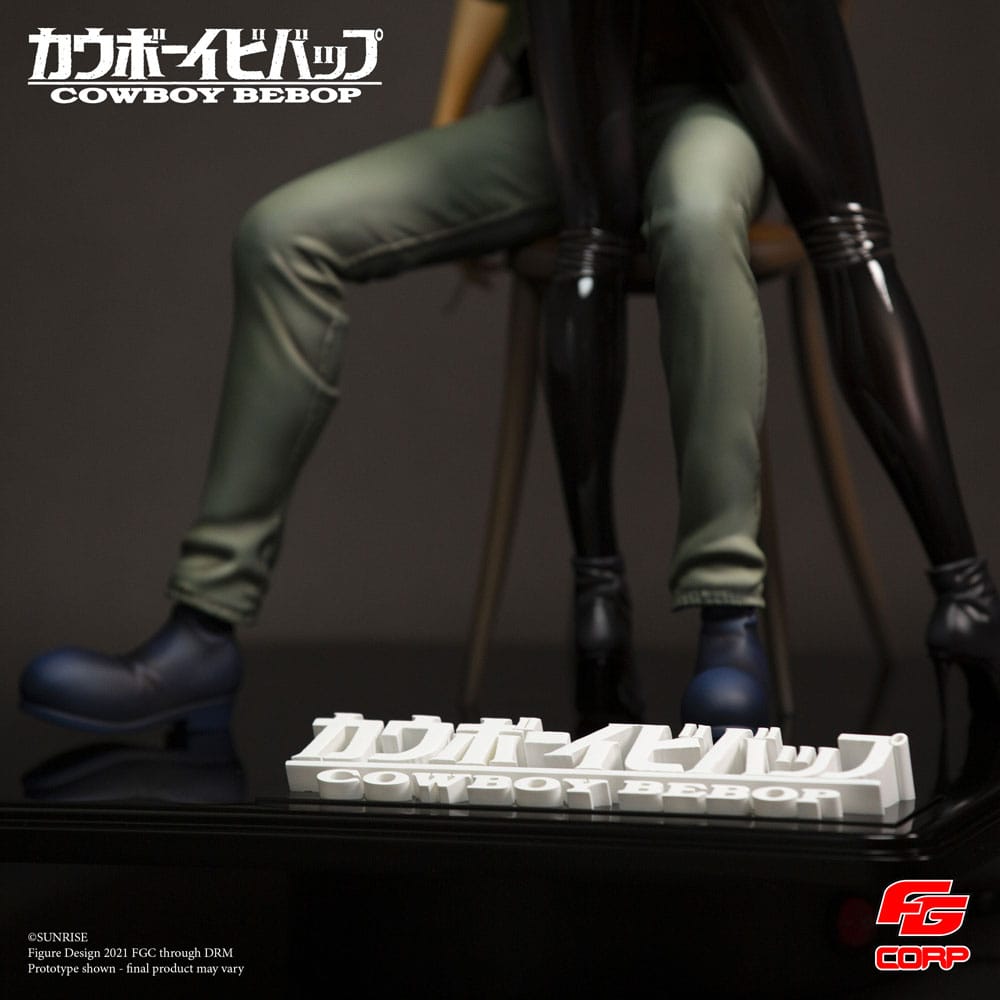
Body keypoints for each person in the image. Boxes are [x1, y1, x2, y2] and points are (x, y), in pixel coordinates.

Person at [18, 0, 772, 733]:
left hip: (713, 103)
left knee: (698, 218)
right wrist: (450, 118)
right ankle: (202, 630)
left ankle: (729, 622)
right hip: (563, 113)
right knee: (283, 235)